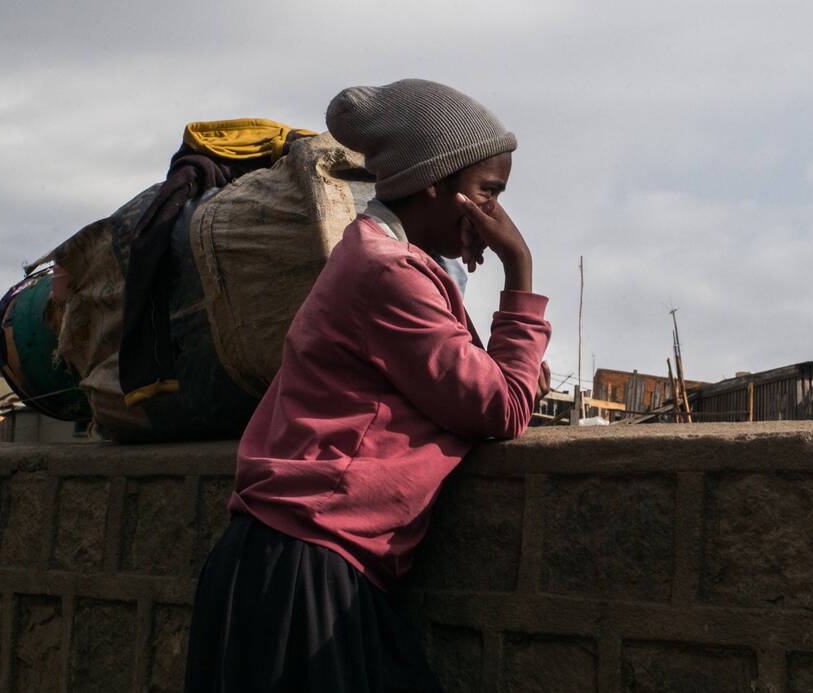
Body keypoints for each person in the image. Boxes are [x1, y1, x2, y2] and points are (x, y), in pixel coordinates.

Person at [184, 79, 550, 692]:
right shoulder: (388, 273)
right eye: (488, 193)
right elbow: (503, 406)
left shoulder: (383, 259)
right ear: (433, 183)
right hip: (305, 563)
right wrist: (520, 269)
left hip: (301, 555)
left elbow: (477, 384)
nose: (496, 217)